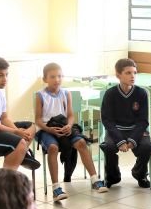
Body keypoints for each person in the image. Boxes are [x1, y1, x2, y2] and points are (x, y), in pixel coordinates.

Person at [34, 62, 107, 201]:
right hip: (46, 129)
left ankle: (94, 179)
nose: (57, 79)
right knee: (53, 148)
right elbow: (37, 120)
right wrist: (49, 129)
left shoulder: (66, 93)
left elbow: (70, 115)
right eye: (52, 77)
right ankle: (56, 188)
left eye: (60, 76)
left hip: (63, 126)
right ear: (45, 79)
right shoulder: (40, 95)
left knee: (81, 143)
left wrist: (69, 125)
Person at [99, 58, 151, 189]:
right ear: (118, 75)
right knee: (109, 147)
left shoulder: (141, 93)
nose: (132, 76)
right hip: (116, 130)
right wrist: (120, 141)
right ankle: (112, 176)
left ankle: (140, 174)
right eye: (128, 73)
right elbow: (107, 120)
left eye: (134, 73)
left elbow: (143, 121)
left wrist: (133, 140)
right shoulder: (110, 94)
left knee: (147, 147)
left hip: (136, 130)